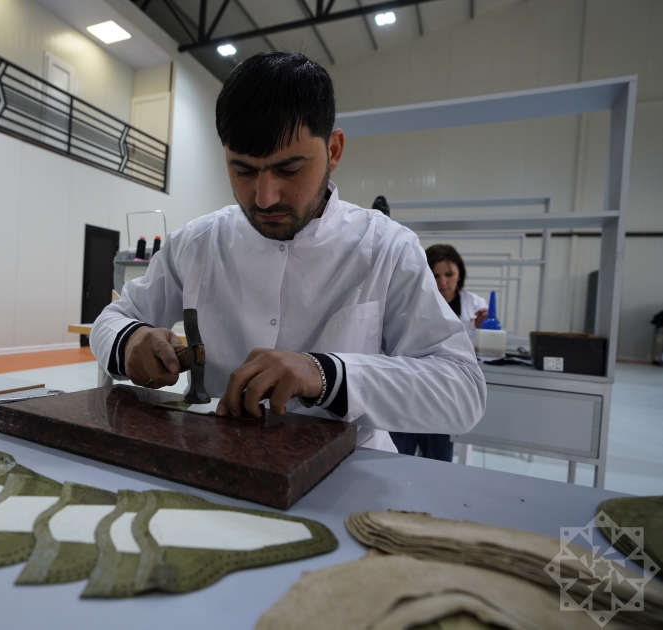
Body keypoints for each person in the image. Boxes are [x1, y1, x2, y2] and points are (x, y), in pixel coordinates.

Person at [91, 52, 486, 452]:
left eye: (290, 170)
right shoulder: (198, 243)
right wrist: (129, 341)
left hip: (349, 471)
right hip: (216, 460)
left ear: (334, 150)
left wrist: (328, 374)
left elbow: (462, 390)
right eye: (243, 170)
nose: (265, 198)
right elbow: (113, 319)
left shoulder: (386, 247)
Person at [390, 244, 487, 461]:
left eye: (449, 274)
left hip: (445, 392)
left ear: (459, 273)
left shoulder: (475, 305)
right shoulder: (411, 302)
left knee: (438, 458)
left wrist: (483, 327)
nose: (443, 282)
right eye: (435, 275)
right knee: (398, 455)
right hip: (410, 387)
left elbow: (480, 347)